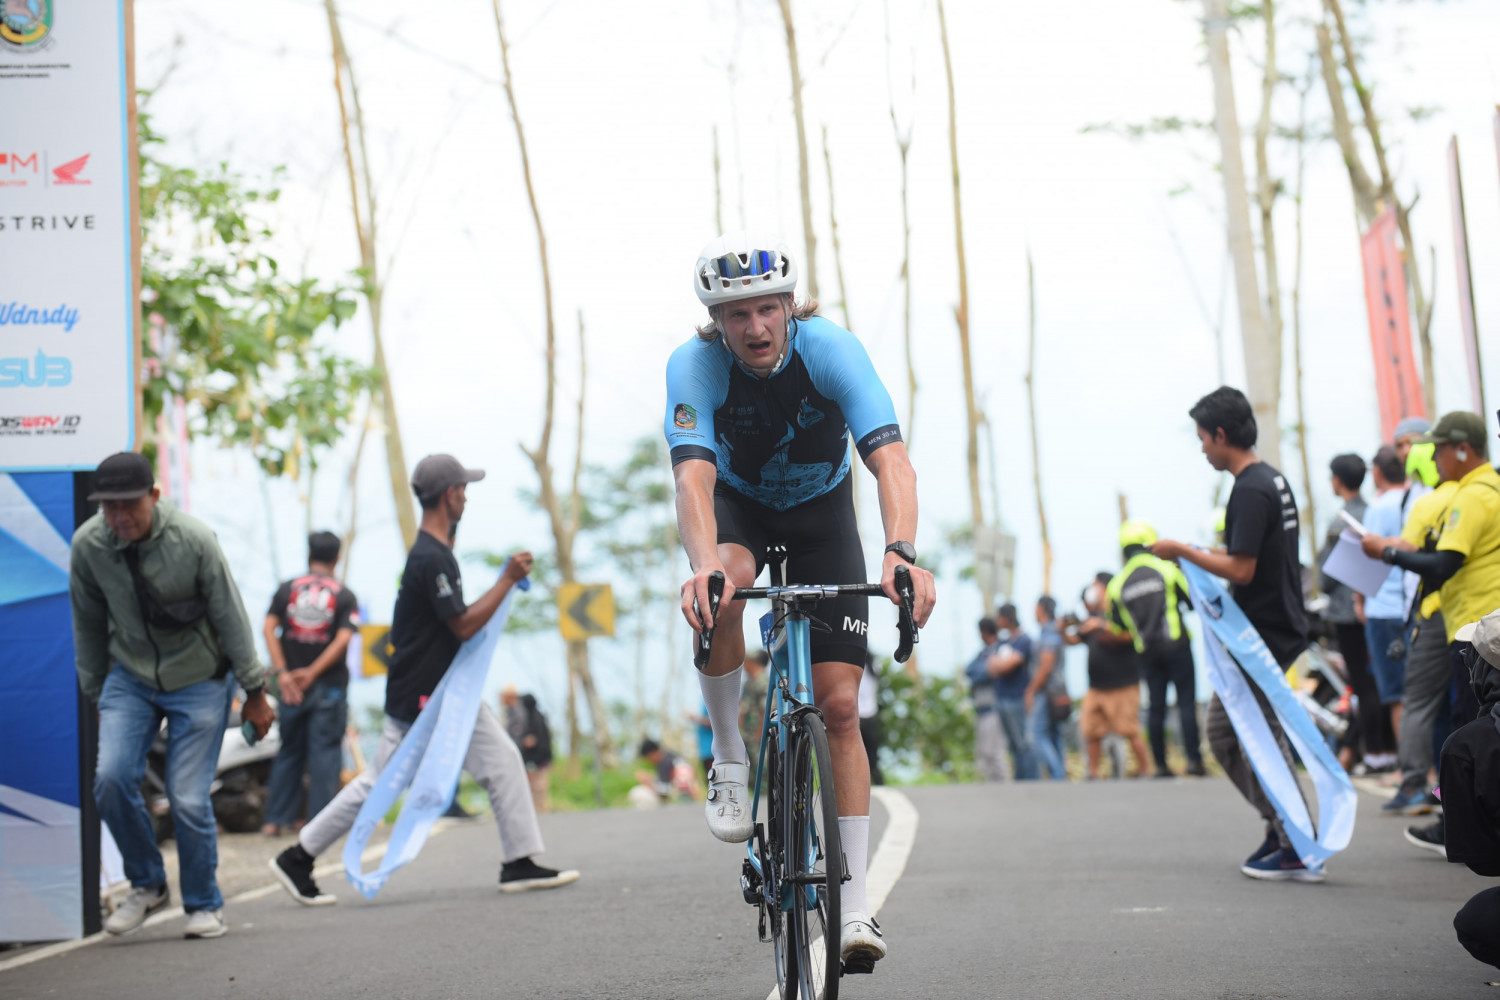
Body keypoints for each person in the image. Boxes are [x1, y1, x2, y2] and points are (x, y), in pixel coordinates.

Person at [667, 231, 937, 970]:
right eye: (737, 315)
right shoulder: (694, 366)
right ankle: (729, 751)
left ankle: (856, 907)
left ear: (790, 305)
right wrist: (702, 565)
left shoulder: (831, 350)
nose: (755, 327)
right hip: (741, 513)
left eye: (767, 309)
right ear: (716, 322)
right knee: (723, 588)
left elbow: (891, 461)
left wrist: (900, 550)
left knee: (841, 707)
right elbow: (692, 477)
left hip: (822, 518)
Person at [272, 454, 578, 905]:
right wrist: (507, 579)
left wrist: (502, 581)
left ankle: (519, 861)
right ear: (450, 495)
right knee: (380, 782)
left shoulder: (435, 552)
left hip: (445, 692)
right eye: (464, 490)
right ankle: (297, 857)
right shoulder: (431, 558)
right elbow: (463, 624)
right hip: (424, 696)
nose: (467, 498)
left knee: (502, 762)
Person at [70, 452, 274, 939]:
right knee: (111, 779)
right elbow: (88, 625)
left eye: (129, 504)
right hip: (130, 676)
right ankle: (148, 884)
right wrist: (97, 694)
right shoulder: (89, 546)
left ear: (154, 496)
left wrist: (254, 691)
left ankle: (203, 904)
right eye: (109, 506)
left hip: (200, 677)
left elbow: (230, 614)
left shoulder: (194, 539)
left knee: (186, 797)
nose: (120, 516)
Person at [1150, 386, 1319, 882]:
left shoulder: (1248, 489)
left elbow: (1242, 569)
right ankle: (1281, 825)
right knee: (1225, 736)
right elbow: (1251, 557)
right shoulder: (1272, 480)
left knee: (1259, 737)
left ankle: (1297, 840)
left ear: (1221, 435)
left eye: (1203, 438)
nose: (1203, 449)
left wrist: (1183, 551)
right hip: (1273, 626)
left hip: (1260, 636)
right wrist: (1201, 552)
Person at [1363, 412, 1500, 852]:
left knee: (1465, 724)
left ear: (1463, 449)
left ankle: (1454, 819)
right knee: (1472, 723)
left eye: (1439, 449)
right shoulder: (1488, 488)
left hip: (1476, 630)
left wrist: (1387, 553)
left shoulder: (1470, 496)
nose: (1433, 457)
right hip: (1477, 623)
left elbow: (1443, 564)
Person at [261, 531, 359, 836]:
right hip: (328, 684)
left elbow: (268, 627)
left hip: (291, 686)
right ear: (337, 558)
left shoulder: (287, 588)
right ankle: (319, 823)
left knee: (289, 750)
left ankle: (275, 819)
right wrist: (314, 672)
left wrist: (283, 673)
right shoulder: (345, 595)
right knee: (325, 753)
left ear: (309, 554)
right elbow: (343, 638)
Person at [1108, 520, 1205, 777]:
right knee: (1186, 703)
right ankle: (1194, 761)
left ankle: (1160, 765)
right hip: (1177, 645)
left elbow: (1117, 626)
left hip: (1147, 652)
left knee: (1156, 708)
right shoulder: (1165, 569)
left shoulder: (1117, 584)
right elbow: (1192, 600)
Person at [1318, 454, 1393, 772]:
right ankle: (1387, 750)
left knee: (1362, 685)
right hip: (1378, 608)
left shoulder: (1341, 522)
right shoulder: (1373, 512)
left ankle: (1374, 753)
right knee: (1383, 681)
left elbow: (1326, 578)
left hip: (1346, 614)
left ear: (1337, 480)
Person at [1065, 574, 1153, 779]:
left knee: (1130, 729)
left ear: (1105, 587)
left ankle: (1145, 770)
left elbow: (1130, 635)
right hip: (1096, 686)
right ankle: (1093, 772)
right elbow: (1073, 640)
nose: (1093, 590)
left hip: (1123, 684)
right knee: (1091, 731)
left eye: (1095, 585)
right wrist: (1062, 628)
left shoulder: (1120, 610)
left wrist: (1101, 626)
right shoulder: (1092, 617)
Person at [1359, 447, 1411, 773]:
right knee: (1419, 695)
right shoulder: (1414, 499)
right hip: (1411, 607)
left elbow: (1366, 560)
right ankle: (1431, 775)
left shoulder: (1377, 508)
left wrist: (1359, 601)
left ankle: (1410, 774)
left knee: (1397, 696)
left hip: (1382, 607)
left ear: (1377, 472)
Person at [986, 604, 1040, 780]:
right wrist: (1000, 664)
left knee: (1023, 742)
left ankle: (1031, 781)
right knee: (1013, 744)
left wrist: (1000, 664)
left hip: (1018, 698)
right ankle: (1020, 780)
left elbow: (1007, 665)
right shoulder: (1005, 642)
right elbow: (991, 666)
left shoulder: (1024, 640)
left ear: (1006, 617)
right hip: (1002, 698)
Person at [1025, 597, 1068, 781]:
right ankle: (1060, 776)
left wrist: (1031, 690)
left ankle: (1058, 775)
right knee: (1053, 734)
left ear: (1042, 609)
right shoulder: (1052, 630)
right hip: (1055, 690)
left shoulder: (1049, 631)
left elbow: (1046, 665)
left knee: (1035, 734)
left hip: (1047, 691)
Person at [966, 618, 1012, 782]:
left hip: (995, 706)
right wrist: (987, 669)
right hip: (982, 707)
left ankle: (1003, 787)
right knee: (984, 753)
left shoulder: (1002, 648)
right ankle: (992, 787)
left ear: (984, 632)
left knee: (996, 752)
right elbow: (970, 670)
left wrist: (988, 670)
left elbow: (994, 672)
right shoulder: (984, 653)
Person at [501, 686, 554, 813]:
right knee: (535, 783)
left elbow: (538, 739)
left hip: (538, 756)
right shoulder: (535, 716)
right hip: (538, 756)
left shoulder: (533, 718)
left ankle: (540, 807)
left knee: (538, 784)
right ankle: (539, 807)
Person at [739, 649, 770, 764]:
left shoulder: (763, 682)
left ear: (754, 662)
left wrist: (760, 736)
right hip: (748, 737)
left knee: (762, 769)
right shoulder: (748, 684)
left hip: (759, 738)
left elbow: (766, 710)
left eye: (746, 661)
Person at [858, 654, 884, 786]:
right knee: (872, 753)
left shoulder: (857, 668)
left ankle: (863, 783)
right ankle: (878, 782)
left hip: (857, 714)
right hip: (870, 714)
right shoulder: (874, 668)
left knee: (856, 752)